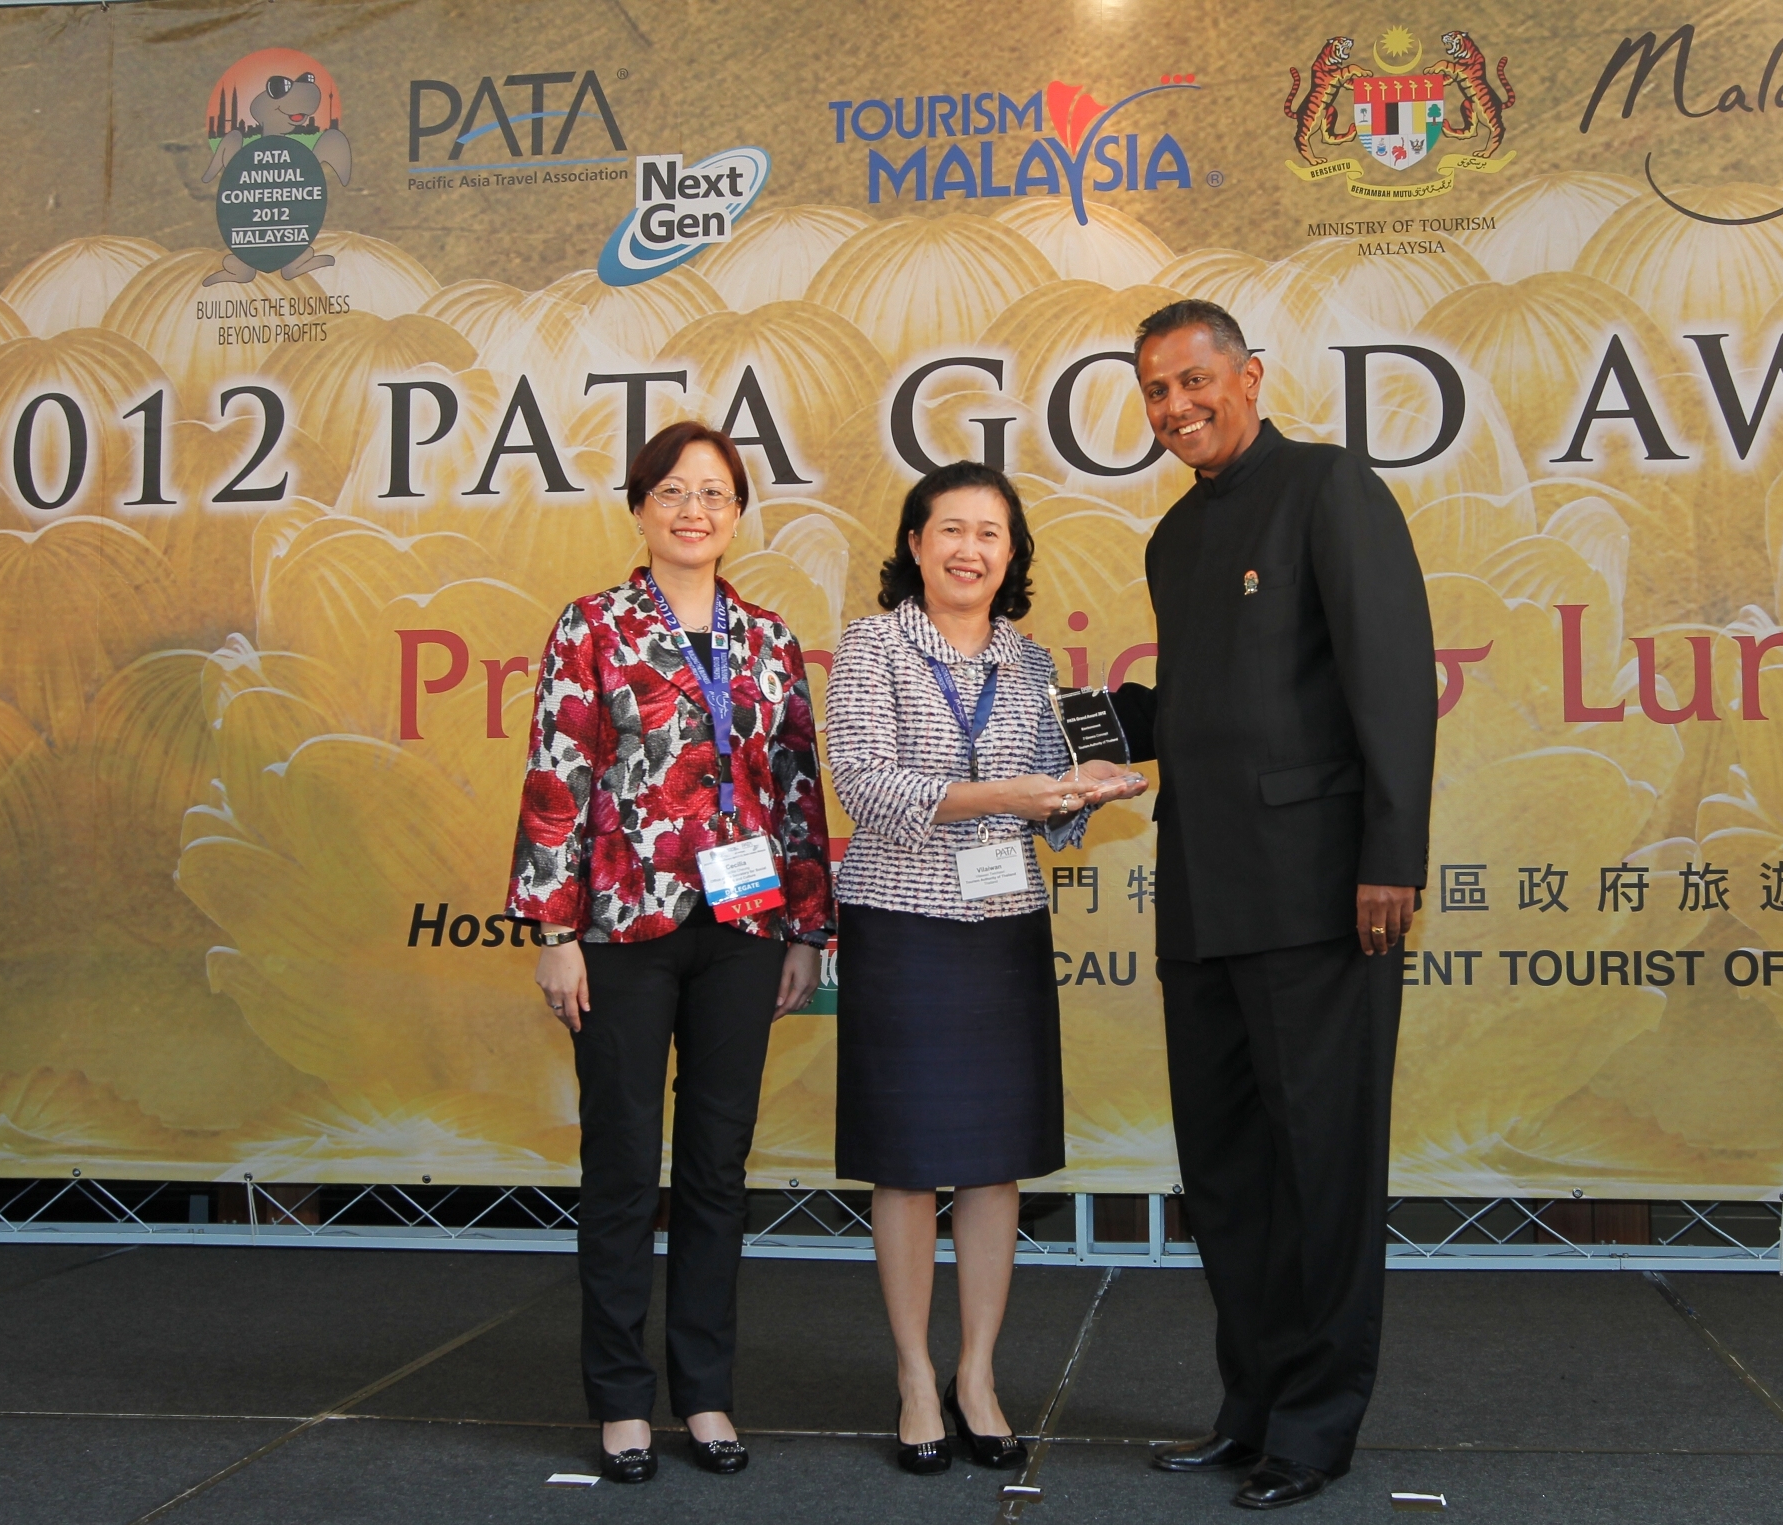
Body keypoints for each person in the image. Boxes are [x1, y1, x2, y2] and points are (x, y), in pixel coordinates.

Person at [1107, 300, 1437, 1510]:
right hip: (1200, 897)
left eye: (1193, 381)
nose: (1175, 408)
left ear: (1248, 376)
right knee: (1229, 1173)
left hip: (1319, 897)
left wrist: (1390, 855)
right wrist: (1090, 727)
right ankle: (1247, 1406)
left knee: (1321, 1169)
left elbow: (1391, 678)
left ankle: (1314, 1423)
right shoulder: (1172, 538)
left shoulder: (1328, 488)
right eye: (1155, 391)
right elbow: (1206, 703)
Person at [507, 421, 833, 1485]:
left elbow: (796, 788)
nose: (695, 511)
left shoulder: (769, 637)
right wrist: (556, 932)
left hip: (745, 932)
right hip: (620, 929)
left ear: (738, 513)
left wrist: (807, 927)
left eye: (715, 493)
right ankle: (619, 1400)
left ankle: (704, 1392)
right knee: (619, 1165)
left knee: (715, 1168)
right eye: (674, 492)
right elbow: (557, 774)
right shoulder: (593, 624)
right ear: (640, 507)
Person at [824, 460, 1146, 1475]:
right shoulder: (872, 645)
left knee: (994, 1160)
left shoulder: (1032, 661)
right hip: (900, 919)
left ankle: (976, 1373)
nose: (969, 550)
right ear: (914, 544)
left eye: (990, 534)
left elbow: (1047, 816)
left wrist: (1082, 793)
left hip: (1004, 923)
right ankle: (915, 1376)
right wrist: (1012, 792)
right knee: (907, 1159)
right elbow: (866, 787)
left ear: (1012, 556)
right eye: (950, 529)